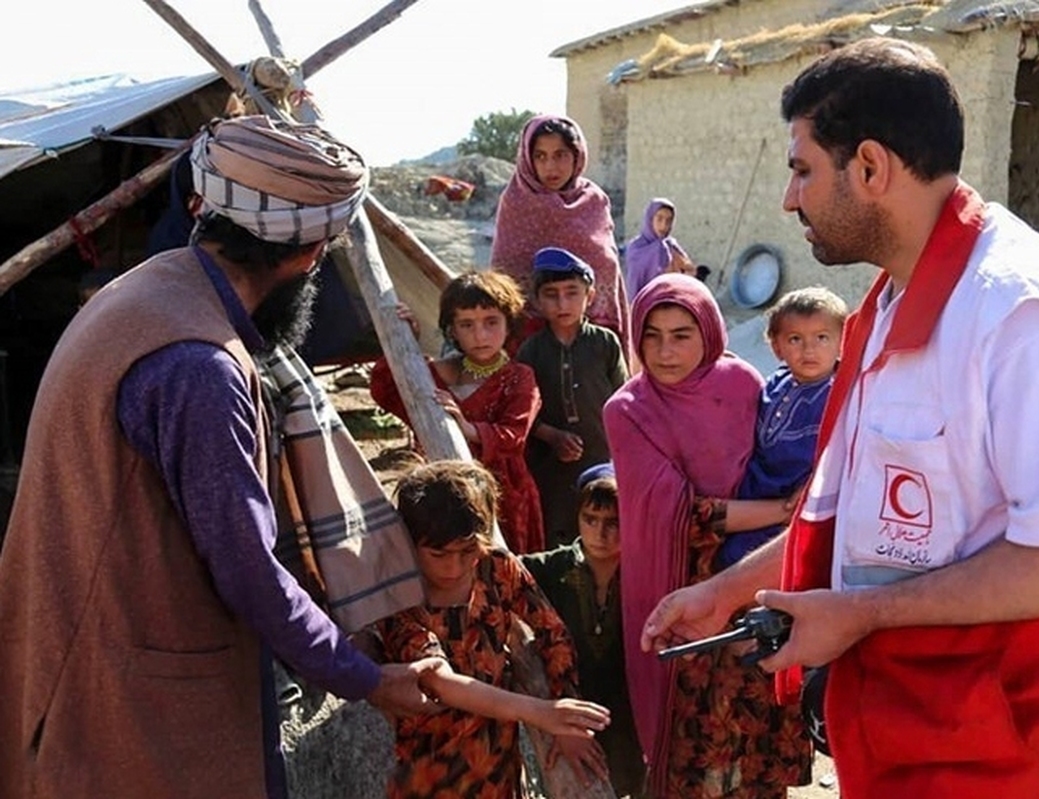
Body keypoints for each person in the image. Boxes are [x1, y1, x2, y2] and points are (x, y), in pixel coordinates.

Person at [640, 38, 1039, 799]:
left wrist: (861, 611)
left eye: (802, 169)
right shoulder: (888, 306)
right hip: (917, 728)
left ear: (871, 168)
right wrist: (731, 589)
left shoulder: (1030, 317)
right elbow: (864, 513)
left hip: (1011, 751)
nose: (790, 199)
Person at [0, 115, 439, 799]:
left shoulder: (140, 294)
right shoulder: (200, 367)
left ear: (202, 208)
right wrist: (365, 677)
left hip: (78, 668)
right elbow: (246, 568)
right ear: (311, 254)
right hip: (136, 709)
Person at [603, 273, 810, 797]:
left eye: (681, 334)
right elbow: (684, 514)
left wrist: (789, 509)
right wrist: (783, 512)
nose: (665, 351)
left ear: (709, 335)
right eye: (651, 335)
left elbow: (783, 457)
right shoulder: (630, 411)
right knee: (696, 746)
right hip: (684, 590)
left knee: (759, 733)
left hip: (762, 581)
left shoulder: (743, 385)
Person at [373, 459, 610, 798]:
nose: (455, 567)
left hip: (498, 763)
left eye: (467, 550)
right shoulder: (399, 593)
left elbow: (552, 632)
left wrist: (566, 712)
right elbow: (440, 681)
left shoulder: (495, 567)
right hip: (427, 772)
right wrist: (544, 714)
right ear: (410, 544)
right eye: (439, 554)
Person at [370, 271, 545, 553]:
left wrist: (468, 429)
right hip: (436, 495)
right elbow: (385, 391)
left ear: (509, 324)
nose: (480, 335)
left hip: (500, 502)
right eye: (466, 324)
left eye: (491, 322)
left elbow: (514, 436)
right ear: (451, 330)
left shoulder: (519, 377)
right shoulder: (429, 374)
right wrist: (406, 341)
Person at [521, 463, 646, 797]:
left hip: (630, 724)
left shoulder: (647, 573)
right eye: (590, 519)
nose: (600, 534)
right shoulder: (549, 569)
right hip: (566, 714)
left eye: (613, 523)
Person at [715, 286, 846, 570]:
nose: (809, 349)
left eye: (822, 338)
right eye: (795, 339)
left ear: (842, 341)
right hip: (755, 494)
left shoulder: (841, 393)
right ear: (776, 347)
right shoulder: (776, 382)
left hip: (801, 502)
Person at [517, 247, 629, 546]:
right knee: (558, 530)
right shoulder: (531, 351)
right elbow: (520, 410)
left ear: (589, 296)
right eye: (551, 294)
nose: (562, 303)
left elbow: (625, 401)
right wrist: (551, 435)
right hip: (551, 467)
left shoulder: (605, 343)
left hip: (602, 459)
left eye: (572, 292)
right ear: (538, 301)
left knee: (604, 531)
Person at [491, 114, 629, 352]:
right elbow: (505, 279)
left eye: (560, 155)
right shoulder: (516, 202)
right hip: (529, 345)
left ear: (577, 155)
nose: (550, 167)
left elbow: (609, 273)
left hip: (593, 343)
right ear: (527, 158)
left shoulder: (594, 202)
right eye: (540, 156)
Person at [624, 198, 695, 297]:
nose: (663, 225)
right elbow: (633, 283)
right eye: (659, 219)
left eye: (669, 220)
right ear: (650, 218)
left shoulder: (672, 246)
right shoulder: (636, 248)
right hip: (643, 303)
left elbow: (690, 273)